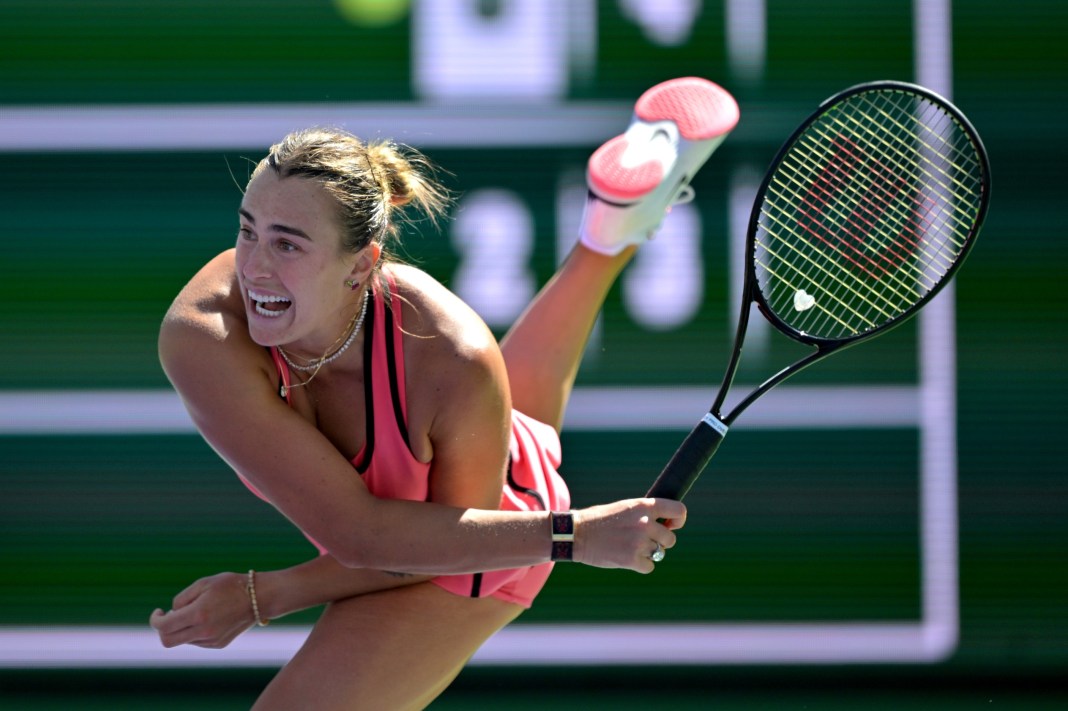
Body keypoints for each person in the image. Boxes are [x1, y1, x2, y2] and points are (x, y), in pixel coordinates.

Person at [149, 76, 738, 709]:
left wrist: (571, 536)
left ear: (361, 264)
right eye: (248, 230)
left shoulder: (449, 352)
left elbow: (391, 546)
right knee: (501, 421)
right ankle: (608, 229)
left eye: (288, 243)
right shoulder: (203, 335)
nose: (255, 267)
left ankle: (607, 235)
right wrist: (257, 595)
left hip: (473, 554)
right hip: (419, 489)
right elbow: (359, 530)